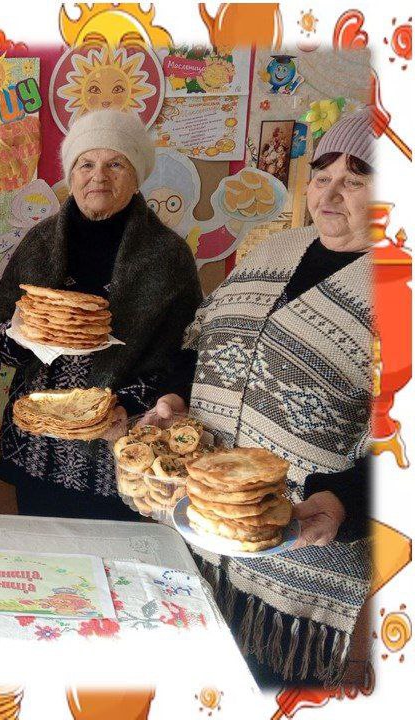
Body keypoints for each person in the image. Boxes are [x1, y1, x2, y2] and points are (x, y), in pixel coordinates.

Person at [145, 109, 375, 687]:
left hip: (301, 557)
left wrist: (345, 501)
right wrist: (174, 397)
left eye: (355, 179)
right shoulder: (274, 250)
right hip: (205, 526)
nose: (330, 194)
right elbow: (202, 343)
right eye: (321, 176)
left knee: (267, 693)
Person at [0, 109, 202, 519]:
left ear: (136, 176)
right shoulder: (38, 243)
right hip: (36, 450)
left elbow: (185, 354)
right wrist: (22, 336)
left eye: (115, 164)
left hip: (119, 454)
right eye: (85, 164)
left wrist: (125, 403)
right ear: (71, 174)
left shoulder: (168, 256)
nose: (98, 177)